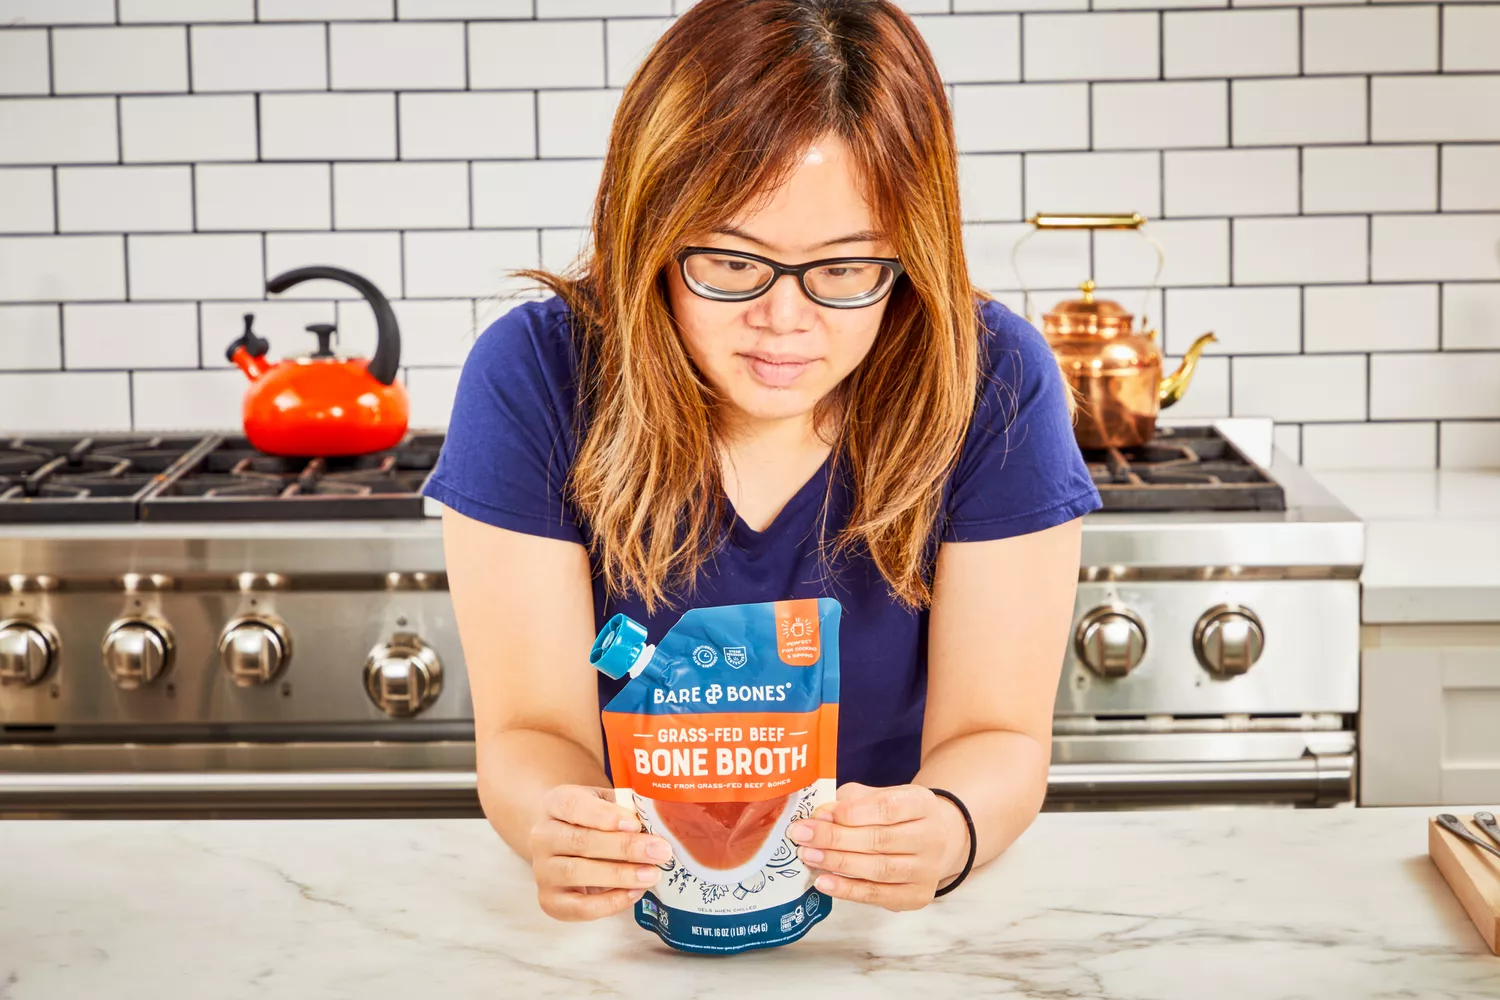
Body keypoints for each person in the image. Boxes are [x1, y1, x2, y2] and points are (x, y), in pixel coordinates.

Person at [424, 0, 1103, 922]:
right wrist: (566, 827)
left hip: (888, 932)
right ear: (649, 233)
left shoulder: (995, 380)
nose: (785, 320)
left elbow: (998, 735)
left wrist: (945, 831)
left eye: (847, 268)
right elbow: (532, 732)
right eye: (733, 263)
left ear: (914, 250)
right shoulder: (536, 375)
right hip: (633, 925)